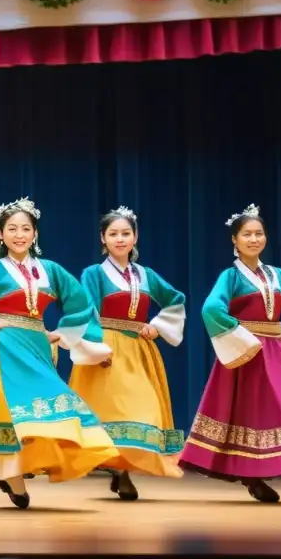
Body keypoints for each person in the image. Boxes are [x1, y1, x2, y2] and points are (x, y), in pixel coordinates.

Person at [0, 197, 117, 508]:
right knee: (9, 413)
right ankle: (13, 478)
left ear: (35, 234)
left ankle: (29, 466)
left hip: (37, 345)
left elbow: (79, 303)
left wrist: (63, 334)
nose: (19, 235)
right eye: (12, 229)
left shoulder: (50, 270)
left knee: (47, 404)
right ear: (0, 235)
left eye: (26, 228)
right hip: (3, 347)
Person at [179, 204, 281, 502]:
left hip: (276, 351)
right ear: (235, 240)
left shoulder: (277, 276)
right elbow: (211, 308)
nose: (254, 239)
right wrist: (241, 335)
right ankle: (252, 476)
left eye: (259, 234)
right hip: (247, 352)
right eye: (247, 235)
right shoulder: (230, 277)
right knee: (251, 415)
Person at [69, 207, 186, 501]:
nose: (120, 239)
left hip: (137, 348)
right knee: (111, 410)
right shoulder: (94, 274)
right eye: (113, 234)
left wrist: (157, 326)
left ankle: (123, 469)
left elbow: (175, 300)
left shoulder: (145, 275)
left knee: (141, 408)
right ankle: (119, 471)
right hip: (107, 347)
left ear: (135, 237)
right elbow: (88, 310)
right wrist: (96, 349)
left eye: (126, 233)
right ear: (103, 239)